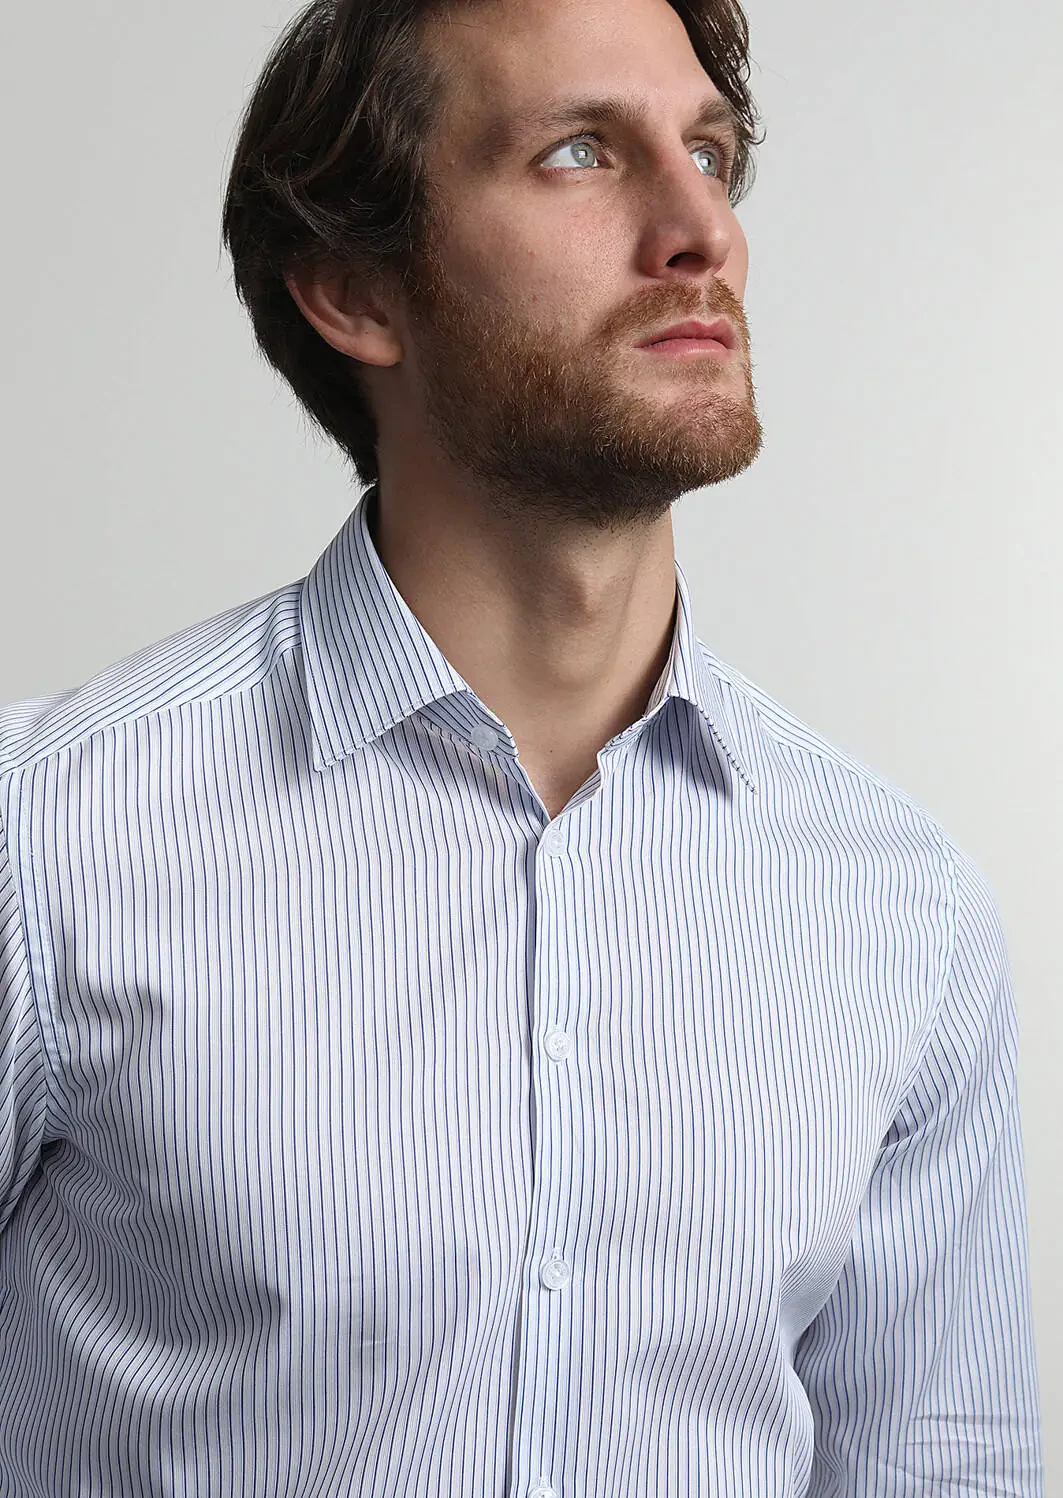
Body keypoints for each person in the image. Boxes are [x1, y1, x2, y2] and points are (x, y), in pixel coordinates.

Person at [0, 0, 1044, 1492]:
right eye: (577, 153)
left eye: (708, 153)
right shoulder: (46, 839)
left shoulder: (899, 904)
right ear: (355, 292)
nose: (701, 231)